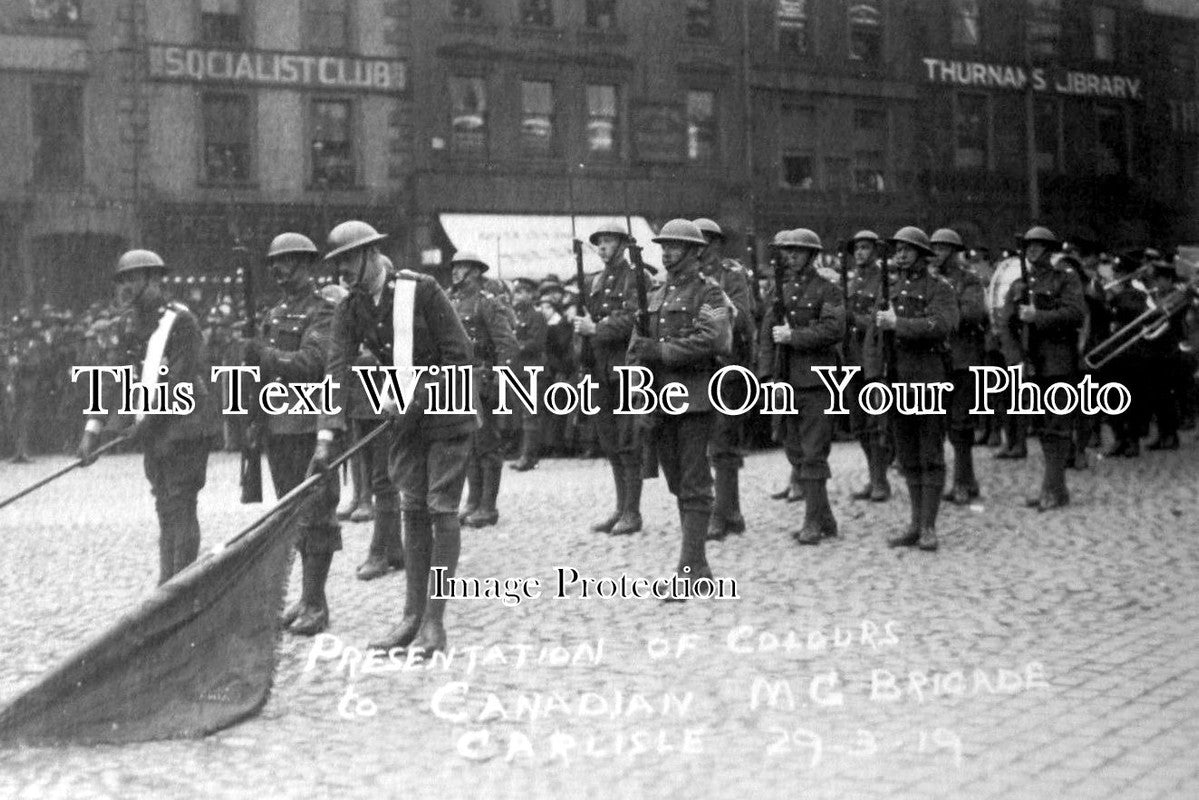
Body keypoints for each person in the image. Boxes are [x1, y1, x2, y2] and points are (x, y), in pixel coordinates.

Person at [315, 220, 475, 659]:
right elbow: (337, 369)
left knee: (441, 510)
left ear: (370, 255)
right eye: (337, 263)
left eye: (348, 260)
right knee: (412, 510)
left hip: (446, 415)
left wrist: (415, 396)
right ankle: (411, 617)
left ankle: (434, 623)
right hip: (404, 423)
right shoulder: (352, 308)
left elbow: (460, 355)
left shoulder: (421, 290)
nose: (342, 271)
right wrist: (326, 439)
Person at [76, 250, 219, 584]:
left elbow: (179, 381)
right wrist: (92, 432)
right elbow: (112, 377)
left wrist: (143, 424)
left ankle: (179, 587)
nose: (125, 286)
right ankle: (167, 581)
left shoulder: (180, 320)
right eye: (122, 279)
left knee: (180, 502)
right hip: (156, 429)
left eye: (133, 278)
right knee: (164, 505)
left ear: (155, 280)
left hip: (186, 427)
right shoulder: (130, 324)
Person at [243, 232, 343, 635]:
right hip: (278, 425)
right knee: (292, 516)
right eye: (275, 263)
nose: (279, 270)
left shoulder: (323, 311)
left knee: (318, 513)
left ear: (307, 265)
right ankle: (304, 599)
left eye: (287, 262)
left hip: (308, 424)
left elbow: (314, 362)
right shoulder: (274, 312)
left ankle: (317, 604)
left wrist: (263, 355)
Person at [628, 219, 731, 595]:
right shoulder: (654, 293)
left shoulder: (711, 293)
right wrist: (638, 373)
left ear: (694, 251)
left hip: (694, 397)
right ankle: (698, 563)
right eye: (664, 245)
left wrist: (664, 351)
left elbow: (716, 339)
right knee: (675, 478)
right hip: (658, 397)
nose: (667, 251)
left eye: (675, 245)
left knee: (693, 480)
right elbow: (638, 342)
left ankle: (689, 567)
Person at [873, 228, 958, 551]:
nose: (902, 254)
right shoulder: (890, 288)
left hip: (928, 378)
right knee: (907, 454)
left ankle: (929, 527)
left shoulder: (939, 288)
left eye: (909, 249)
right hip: (896, 380)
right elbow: (874, 335)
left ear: (923, 255)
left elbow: (943, 324)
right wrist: (873, 377)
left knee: (930, 453)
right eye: (898, 249)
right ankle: (914, 522)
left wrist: (899, 325)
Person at [758, 228, 845, 544]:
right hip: (785, 379)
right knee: (793, 448)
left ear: (812, 254)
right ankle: (825, 516)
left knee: (812, 452)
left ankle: (812, 522)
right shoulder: (778, 289)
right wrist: (766, 375)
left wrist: (794, 336)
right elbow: (767, 333)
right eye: (787, 251)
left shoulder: (827, 289)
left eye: (797, 251)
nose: (790, 256)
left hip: (816, 380)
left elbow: (834, 329)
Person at [999, 226, 1085, 511]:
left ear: (1049, 250)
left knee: (1058, 426)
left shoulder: (1065, 279)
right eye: (1028, 246)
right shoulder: (1018, 285)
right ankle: (1056, 487)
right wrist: (1016, 360)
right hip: (1032, 364)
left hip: (1058, 361)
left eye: (1037, 245)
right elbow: (1006, 324)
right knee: (1042, 428)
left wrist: (1039, 316)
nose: (1031, 250)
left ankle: (1052, 487)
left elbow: (1075, 313)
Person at [575, 222, 645, 535]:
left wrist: (596, 329)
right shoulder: (597, 280)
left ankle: (632, 511)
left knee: (628, 441)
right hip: (601, 368)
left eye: (607, 242)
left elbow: (634, 319)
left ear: (622, 244)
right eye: (599, 242)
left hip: (625, 367)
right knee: (610, 441)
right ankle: (620, 508)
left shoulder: (636, 277)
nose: (602, 247)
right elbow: (592, 316)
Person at [694, 218, 757, 540]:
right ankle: (729, 513)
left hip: (726, 369)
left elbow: (744, 318)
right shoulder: (687, 279)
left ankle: (723, 513)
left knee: (723, 443)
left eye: (705, 242)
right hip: (696, 369)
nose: (700, 249)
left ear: (717, 245)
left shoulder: (731, 276)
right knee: (704, 444)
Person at [449, 251, 517, 527]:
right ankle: (473, 500)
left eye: (461, 267)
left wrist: (501, 378)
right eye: (454, 267)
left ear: (475, 272)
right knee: (468, 444)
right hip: (459, 381)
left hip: (483, 381)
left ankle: (488, 506)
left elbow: (507, 343)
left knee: (487, 444)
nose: (455, 272)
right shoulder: (451, 302)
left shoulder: (486, 304)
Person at [930, 228, 987, 505]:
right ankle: (968, 480)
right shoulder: (928, 281)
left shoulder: (969, 280)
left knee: (961, 425)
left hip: (963, 359)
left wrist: (940, 312)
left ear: (954, 252)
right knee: (943, 424)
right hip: (936, 361)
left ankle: (963, 482)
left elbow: (973, 313)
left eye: (942, 248)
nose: (937, 253)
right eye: (935, 248)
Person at [845, 230, 893, 502]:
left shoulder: (883, 281)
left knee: (876, 422)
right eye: (857, 249)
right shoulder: (850, 283)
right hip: (852, 358)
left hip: (874, 358)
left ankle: (880, 481)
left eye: (865, 248)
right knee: (859, 424)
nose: (860, 253)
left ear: (875, 251)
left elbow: (878, 322)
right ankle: (874, 476)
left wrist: (854, 318)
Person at [510, 277, 548, 471]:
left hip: (533, 370)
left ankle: (529, 456)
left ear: (531, 294)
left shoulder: (537, 316)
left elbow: (537, 343)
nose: (517, 296)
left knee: (530, 415)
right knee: (523, 415)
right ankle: (526, 454)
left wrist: (515, 346)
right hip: (519, 371)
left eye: (521, 292)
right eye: (516, 292)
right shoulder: (515, 316)